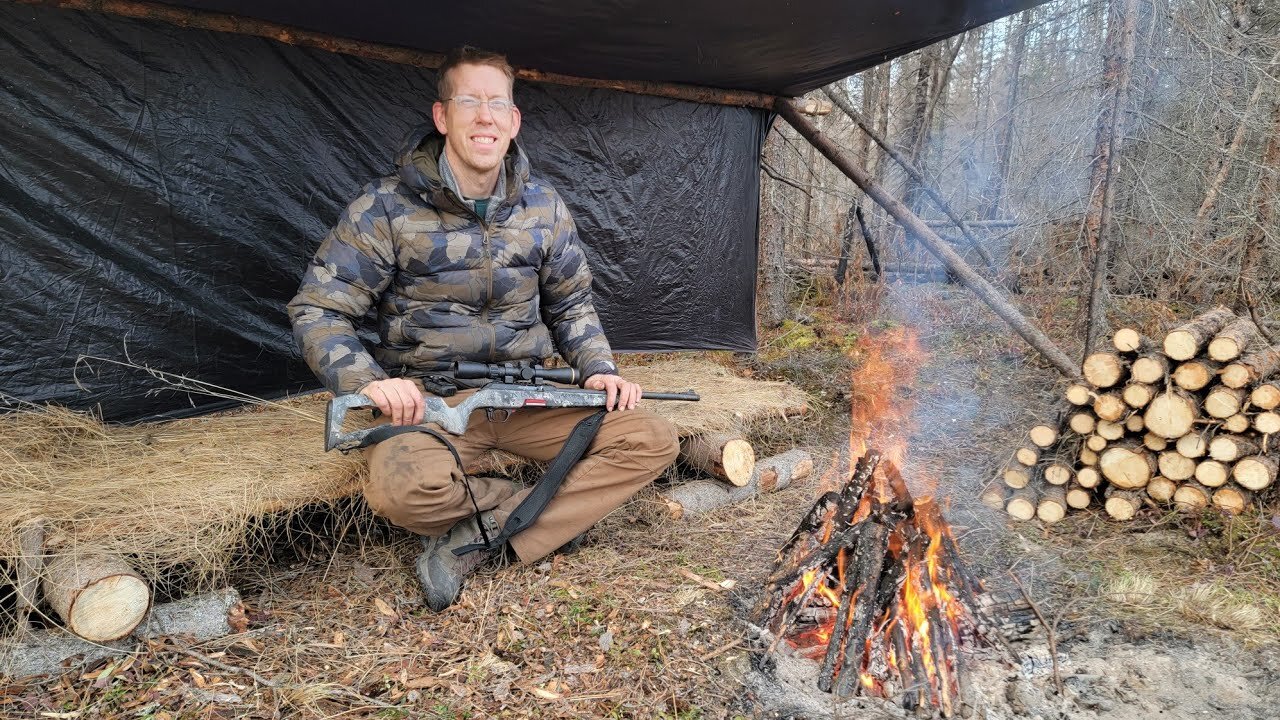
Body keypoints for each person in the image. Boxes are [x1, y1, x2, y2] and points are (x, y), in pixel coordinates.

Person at [287, 46, 679, 612]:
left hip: (531, 398)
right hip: (432, 406)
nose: (484, 116)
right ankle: (542, 516)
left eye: (498, 103)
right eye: (468, 101)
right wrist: (369, 383)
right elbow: (319, 309)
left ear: (514, 120)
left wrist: (600, 370)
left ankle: (484, 532)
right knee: (404, 491)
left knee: (650, 439)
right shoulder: (383, 209)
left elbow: (573, 309)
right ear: (442, 117)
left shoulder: (544, 206)